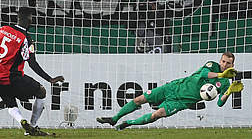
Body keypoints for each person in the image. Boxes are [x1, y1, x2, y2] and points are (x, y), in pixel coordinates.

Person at [97, 51, 244, 130]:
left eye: (228, 63)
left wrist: (228, 92)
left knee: (157, 114)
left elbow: (219, 103)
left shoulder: (225, 82)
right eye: (223, 61)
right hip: (173, 87)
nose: (225, 64)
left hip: (181, 102)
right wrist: (220, 74)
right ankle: (114, 119)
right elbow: (204, 74)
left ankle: (128, 123)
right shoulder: (212, 65)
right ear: (220, 61)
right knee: (138, 99)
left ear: (232, 64)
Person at [0, 7, 64, 136]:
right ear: (29, 19)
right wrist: (50, 79)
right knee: (41, 91)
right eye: (32, 18)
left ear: (18, 17)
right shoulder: (26, 38)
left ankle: (22, 121)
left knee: (10, 103)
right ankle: (32, 126)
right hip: (12, 79)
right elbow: (32, 63)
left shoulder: (2, 30)